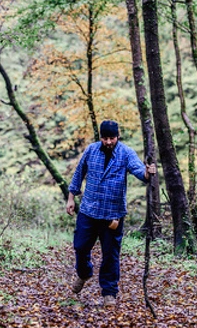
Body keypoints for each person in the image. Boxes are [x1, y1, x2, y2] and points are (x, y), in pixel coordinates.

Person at [66, 119, 156, 307]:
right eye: (105, 138)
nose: (108, 142)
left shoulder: (126, 153)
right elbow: (78, 173)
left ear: (118, 136)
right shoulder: (91, 150)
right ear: (100, 137)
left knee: (110, 254)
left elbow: (139, 171)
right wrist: (71, 198)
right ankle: (84, 273)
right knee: (80, 246)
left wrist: (148, 173)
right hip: (89, 209)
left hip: (113, 214)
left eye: (112, 138)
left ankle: (109, 292)